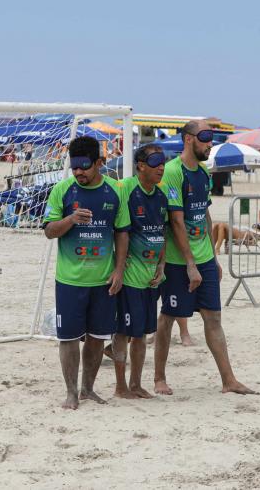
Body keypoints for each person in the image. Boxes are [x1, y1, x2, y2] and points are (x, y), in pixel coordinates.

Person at [154, 119, 257, 396]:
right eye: (205, 138)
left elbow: (205, 214)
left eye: (211, 138)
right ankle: (159, 378)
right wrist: (190, 264)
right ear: (188, 139)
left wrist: (213, 257)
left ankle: (228, 380)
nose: (210, 143)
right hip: (178, 262)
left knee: (213, 318)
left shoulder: (202, 172)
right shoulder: (173, 172)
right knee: (168, 317)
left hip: (204, 258)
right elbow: (176, 222)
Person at [43, 136, 130, 410]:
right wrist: (70, 220)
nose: (79, 172)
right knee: (68, 338)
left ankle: (88, 389)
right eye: (75, 167)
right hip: (70, 280)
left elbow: (122, 233)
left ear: (100, 163)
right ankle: (71, 393)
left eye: (84, 166)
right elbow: (49, 231)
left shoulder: (115, 191)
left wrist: (119, 270)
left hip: (103, 280)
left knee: (97, 337)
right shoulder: (62, 190)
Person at [109, 144, 169, 400]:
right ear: (141, 166)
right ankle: (120, 386)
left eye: (163, 162)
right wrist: (118, 268)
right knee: (123, 332)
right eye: (155, 162)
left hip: (151, 277)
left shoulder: (161, 195)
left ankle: (136, 384)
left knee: (142, 334)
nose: (161, 167)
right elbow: (115, 228)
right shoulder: (125, 188)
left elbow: (163, 232)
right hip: (129, 276)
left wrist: (162, 264)